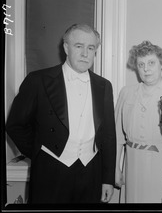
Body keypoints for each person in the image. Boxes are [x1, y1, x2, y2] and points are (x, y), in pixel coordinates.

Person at [6, 24, 116, 204]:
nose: (85, 54)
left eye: (91, 48)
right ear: (66, 47)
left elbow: (109, 135)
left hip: (91, 172)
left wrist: (107, 179)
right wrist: (41, 152)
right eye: (78, 46)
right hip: (50, 172)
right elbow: (15, 125)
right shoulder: (38, 80)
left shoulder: (104, 86)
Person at [114, 40, 162, 203]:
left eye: (151, 63)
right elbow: (117, 137)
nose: (146, 68)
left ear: (161, 64)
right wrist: (116, 169)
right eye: (140, 64)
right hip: (132, 164)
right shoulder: (126, 93)